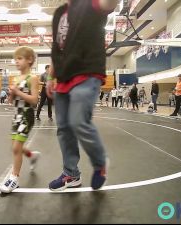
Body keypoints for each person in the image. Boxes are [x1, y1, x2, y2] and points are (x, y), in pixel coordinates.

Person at [46, 0, 117, 191]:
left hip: (86, 71)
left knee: (78, 121)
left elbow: (108, 4)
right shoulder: (59, 12)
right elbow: (57, 48)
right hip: (63, 77)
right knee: (64, 129)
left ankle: (100, 163)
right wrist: (50, 77)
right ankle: (71, 174)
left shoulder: (90, 4)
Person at [0, 46, 41, 193]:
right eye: (15, 59)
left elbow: (35, 100)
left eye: (20, 58)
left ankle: (14, 178)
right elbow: (11, 101)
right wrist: (11, 94)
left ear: (29, 60)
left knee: (16, 148)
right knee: (16, 148)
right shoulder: (16, 78)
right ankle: (32, 155)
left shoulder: (33, 78)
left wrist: (18, 92)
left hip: (26, 115)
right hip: (16, 115)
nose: (16, 61)